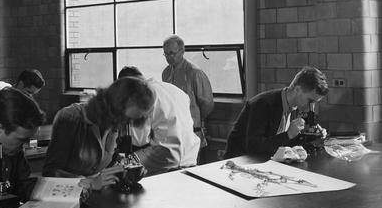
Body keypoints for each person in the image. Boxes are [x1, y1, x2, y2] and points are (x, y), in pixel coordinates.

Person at [43, 77, 155, 190]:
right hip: (68, 196)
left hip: (96, 196)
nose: (126, 125)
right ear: (113, 108)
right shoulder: (70, 118)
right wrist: (90, 183)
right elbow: (51, 172)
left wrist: (129, 167)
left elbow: (111, 158)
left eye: (132, 121)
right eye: (126, 119)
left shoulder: (116, 123)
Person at [225, 66, 329, 159]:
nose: (312, 107)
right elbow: (253, 147)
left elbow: (282, 142)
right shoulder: (263, 104)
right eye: (310, 101)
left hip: (263, 161)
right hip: (239, 162)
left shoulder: (295, 107)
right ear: (298, 89)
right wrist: (288, 134)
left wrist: (312, 135)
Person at [117, 66, 200, 175]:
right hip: (190, 155)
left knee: (119, 166)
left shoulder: (140, 94)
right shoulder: (174, 89)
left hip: (165, 156)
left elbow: (139, 139)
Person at [162, 35, 214, 163]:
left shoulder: (194, 72)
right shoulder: (166, 73)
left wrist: (196, 119)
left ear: (182, 51)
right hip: (173, 129)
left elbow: (206, 103)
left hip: (192, 130)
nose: (169, 57)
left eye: (172, 53)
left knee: (191, 166)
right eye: (166, 54)